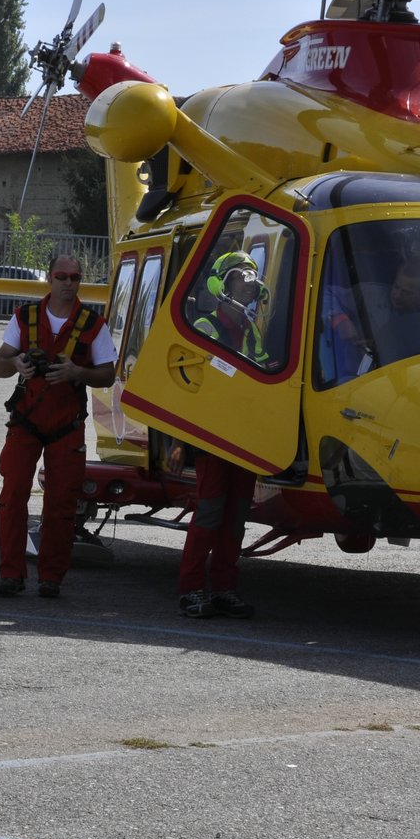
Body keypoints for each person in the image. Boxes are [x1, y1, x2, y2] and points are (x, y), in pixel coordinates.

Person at [0, 255, 117, 599]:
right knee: (13, 495)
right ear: (50, 278)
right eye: (61, 276)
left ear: (80, 280)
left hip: (67, 424)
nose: (68, 283)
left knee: (62, 503)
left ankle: (51, 578)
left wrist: (77, 373)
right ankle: (11, 574)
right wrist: (17, 362)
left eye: (75, 277)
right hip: (26, 420)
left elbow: (108, 373)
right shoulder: (25, 317)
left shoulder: (94, 324)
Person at [175, 251, 266, 619]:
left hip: (245, 437)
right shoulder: (205, 328)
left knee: (236, 517)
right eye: (239, 279)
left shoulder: (253, 330)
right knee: (209, 514)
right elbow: (192, 385)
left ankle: (226, 587)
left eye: (251, 280)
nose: (248, 285)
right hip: (214, 438)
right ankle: (191, 590)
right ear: (223, 285)